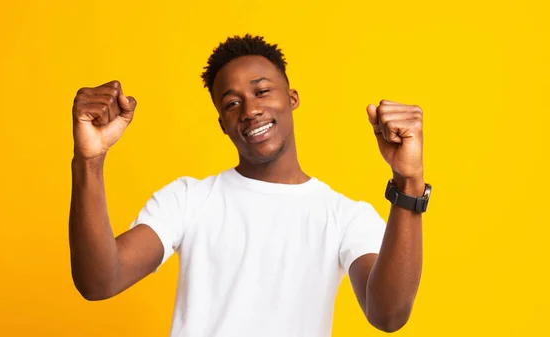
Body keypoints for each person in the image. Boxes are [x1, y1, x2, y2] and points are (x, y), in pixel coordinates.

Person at [69, 34, 431, 336]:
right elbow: (100, 281)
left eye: (261, 92)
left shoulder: (345, 217)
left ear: (291, 98)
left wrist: (408, 182)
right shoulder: (188, 200)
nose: (249, 110)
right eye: (232, 103)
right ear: (223, 124)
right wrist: (89, 161)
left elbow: (388, 315)